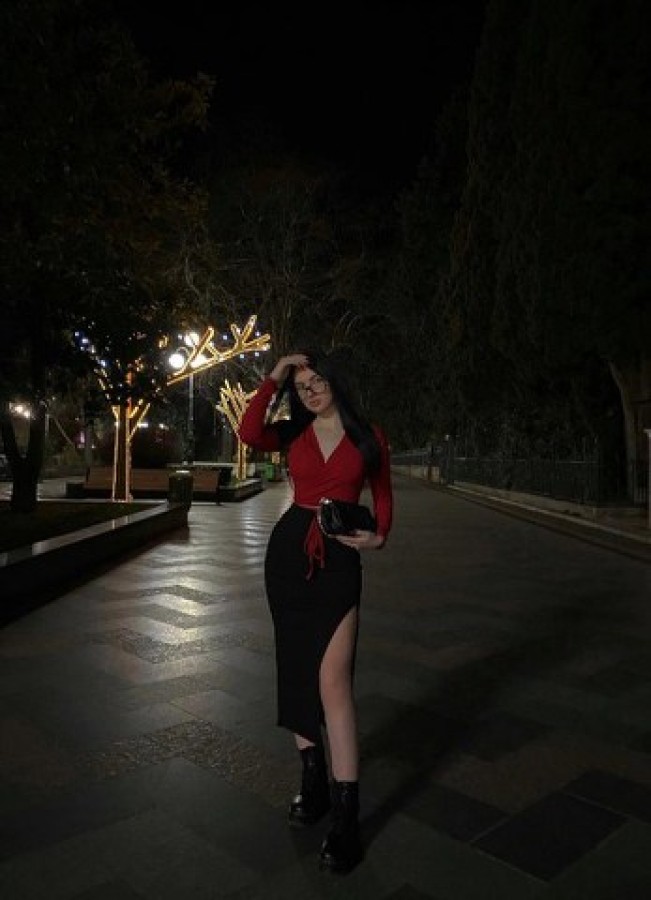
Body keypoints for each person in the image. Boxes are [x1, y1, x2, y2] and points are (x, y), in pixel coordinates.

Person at [238, 349, 393, 874]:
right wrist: (274, 376)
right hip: (288, 555)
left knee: (334, 682)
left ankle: (347, 815)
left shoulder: (368, 435)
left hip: (339, 559)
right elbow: (248, 432)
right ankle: (313, 781)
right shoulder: (292, 431)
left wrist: (379, 536)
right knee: (297, 668)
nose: (311, 392)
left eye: (318, 382)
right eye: (301, 386)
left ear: (336, 381)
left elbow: (382, 492)